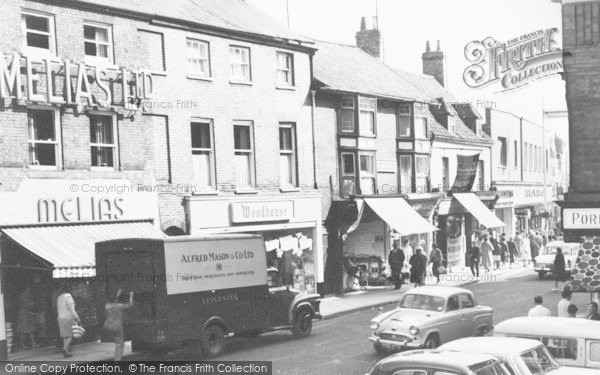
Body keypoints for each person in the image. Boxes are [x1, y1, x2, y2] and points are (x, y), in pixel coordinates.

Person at [104, 289, 134, 361]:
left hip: (108, 326)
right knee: (119, 344)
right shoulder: (120, 306)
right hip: (117, 326)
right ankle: (117, 360)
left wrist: (117, 295)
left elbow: (112, 301)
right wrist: (131, 296)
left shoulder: (107, 306)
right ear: (116, 300)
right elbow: (130, 305)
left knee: (116, 340)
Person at [56, 284, 80, 358]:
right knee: (71, 335)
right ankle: (65, 348)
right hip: (68, 318)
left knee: (64, 336)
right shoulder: (68, 296)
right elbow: (71, 309)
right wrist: (77, 317)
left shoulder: (59, 297)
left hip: (60, 318)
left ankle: (66, 352)